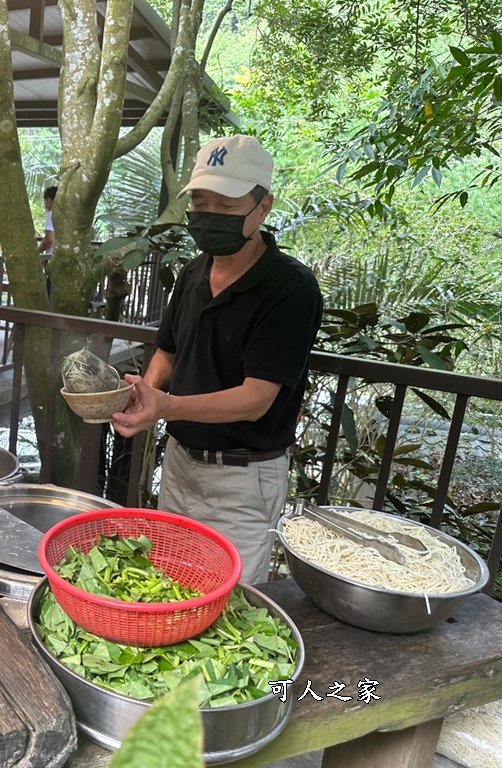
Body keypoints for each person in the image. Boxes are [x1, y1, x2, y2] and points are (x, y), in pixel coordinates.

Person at [112, 135, 323, 584]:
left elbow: (256, 398)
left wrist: (166, 407)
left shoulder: (291, 289)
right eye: (201, 203)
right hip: (180, 463)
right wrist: (144, 396)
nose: (210, 217)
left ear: (263, 207)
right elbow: (168, 352)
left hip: (244, 480)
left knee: (232, 604)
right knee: (167, 586)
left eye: (227, 207)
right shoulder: (192, 274)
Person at [38, 185, 56, 265]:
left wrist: (38, 251)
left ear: (48, 200)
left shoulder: (52, 214)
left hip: (53, 258)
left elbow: (49, 239)